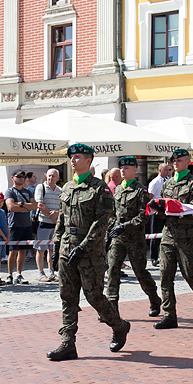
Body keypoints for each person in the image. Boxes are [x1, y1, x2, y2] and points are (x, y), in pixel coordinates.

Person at [46, 144, 130, 362]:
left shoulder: (99, 189)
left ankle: (119, 326)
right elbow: (61, 221)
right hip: (67, 249)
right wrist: (56, 247)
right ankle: (68, 343)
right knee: (67, 297)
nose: (73, 160)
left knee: (94, 297)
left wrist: (83, 246)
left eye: (78, 157)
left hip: (89, 253)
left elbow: (102, 223)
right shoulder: (66, 188)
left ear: (89, 160)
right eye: (71, 157)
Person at [152, 148, 193, 329]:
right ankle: (169, 314)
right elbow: (164, 210)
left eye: (179, 160)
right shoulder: (168, 184)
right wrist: (158, 209)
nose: (175, 163)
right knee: (165, 275)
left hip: (187, 236)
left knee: (190, 274)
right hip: (169, 235)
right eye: (173, 160)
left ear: (187, 161)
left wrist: (178, 209)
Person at [106, 156, 160, 316]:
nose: (123, 170)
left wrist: (124, 226)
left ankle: (154, 298)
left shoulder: (140, 190)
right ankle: (111, 308)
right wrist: (112, 226)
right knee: (112, 270)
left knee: (140, 272)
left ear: (135, 170)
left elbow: (144, 216)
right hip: (118, 238)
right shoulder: (118, 189)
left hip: (134, 239)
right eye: (121, 168)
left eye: (127, 168)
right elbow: (113, 213)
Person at [5, 170, 37, 284]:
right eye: (19, 176)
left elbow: (35, 206)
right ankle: (9, 274)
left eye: (23, 177)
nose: (21, 179)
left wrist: (21, 204)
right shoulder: (9, 192)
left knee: (23, 251)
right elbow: (11, 207)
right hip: (15, 224)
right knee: (13, 251)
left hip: (26, 224)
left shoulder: (28, 192)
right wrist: (26, 207)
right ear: (13, 178)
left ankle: (19, 273)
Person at [34, 169, 61, 282]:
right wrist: (52, 215)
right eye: (49, 176)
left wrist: (57, 214)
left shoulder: (60, 190)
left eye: (53, 176)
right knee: (41, 249)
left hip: (55, 224)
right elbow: (40, 204)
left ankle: (51, 272)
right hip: (44, 222)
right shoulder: (41, 187)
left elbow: (63, 205)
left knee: (52, 250)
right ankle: (41, 273)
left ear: (57, 178)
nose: (51, 178)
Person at [147, 162, 172, 266]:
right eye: (165, 170)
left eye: (168, 170)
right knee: (155, 234)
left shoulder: (169, 181)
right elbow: (150, 196)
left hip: (166, 210)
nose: (167, 172)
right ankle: (153, 257)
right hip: (156, 211)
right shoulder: (155, 182)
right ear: (160, 170)